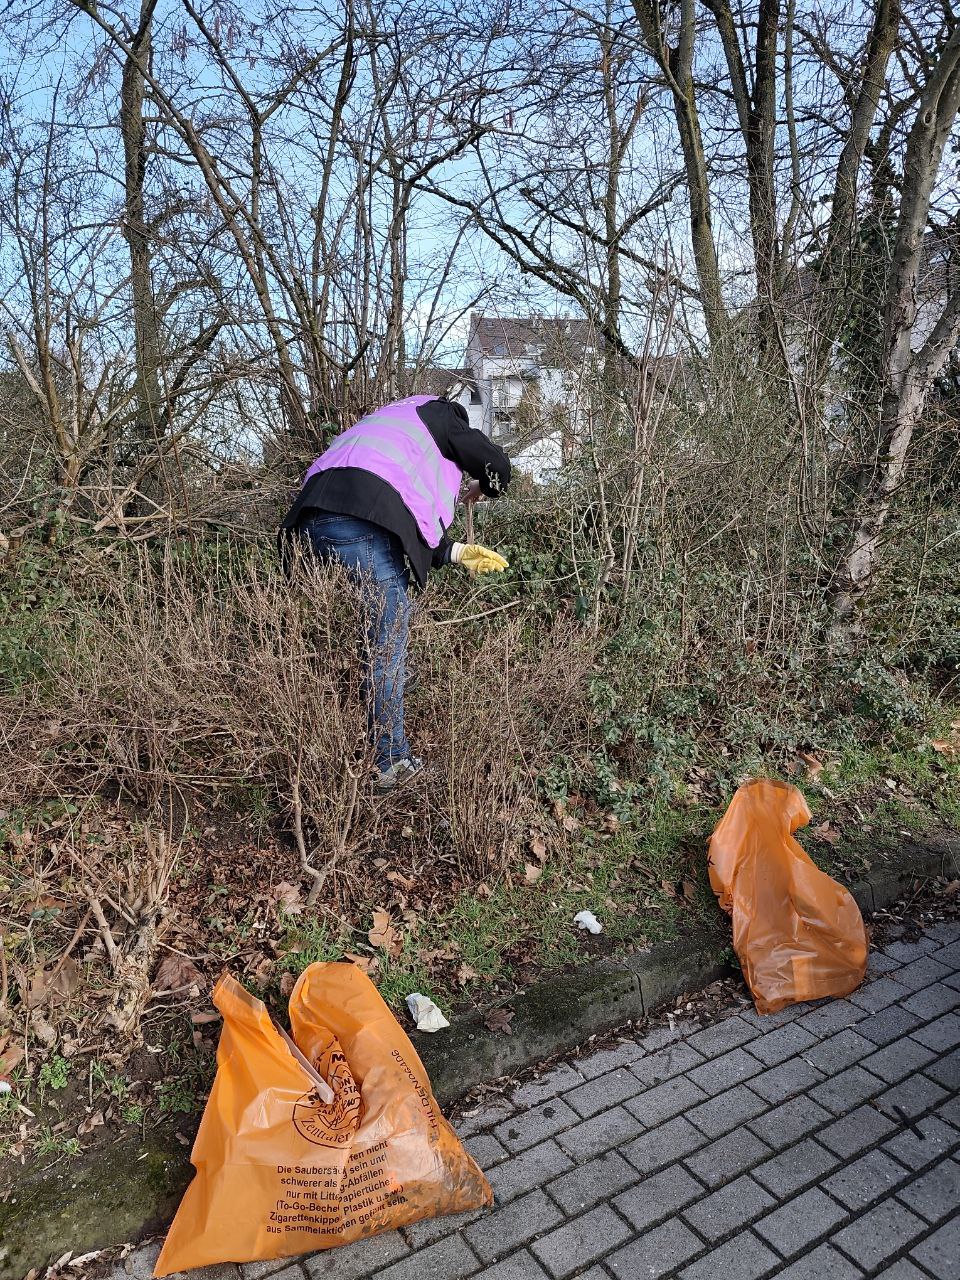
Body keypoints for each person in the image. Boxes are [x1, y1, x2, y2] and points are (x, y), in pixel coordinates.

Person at [279, 393, 512, 791]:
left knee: (378, 639)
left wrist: (455, 552)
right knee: (387, 650)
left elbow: (390, 505)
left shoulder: (387, 425)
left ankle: (356, 732)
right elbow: (496, 464)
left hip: (311, 522)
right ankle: (391, 764)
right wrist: (484, 486)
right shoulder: (441, 414)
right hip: (358, 524)